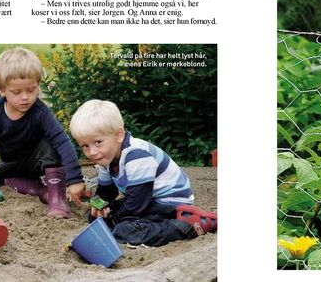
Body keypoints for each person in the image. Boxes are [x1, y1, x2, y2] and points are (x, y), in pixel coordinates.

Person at [70, 99, 216, 246]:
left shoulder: (137, 155)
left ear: (119, 135)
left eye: (98, 142)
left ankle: (185, 227)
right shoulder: (105, 158)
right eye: (85, 146)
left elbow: (136, 205)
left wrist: (114, 217)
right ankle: (118, 225)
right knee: (95, 217)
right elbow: (106, 192)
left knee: (125, 231)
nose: (92, 152)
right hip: (145, 200)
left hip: (169, 203)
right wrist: (99, 206)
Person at [0, 47, 85, 218]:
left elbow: (62, 141)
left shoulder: (41, 112)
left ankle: (57, 199)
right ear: (2, 90)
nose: (25, 97)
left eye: (31, 90)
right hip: (11, 163)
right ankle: (42, 191)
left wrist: (75, 179)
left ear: (38, 84)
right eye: (16, 92)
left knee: (50, 143)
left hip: (38, 161)